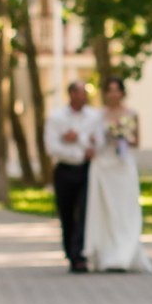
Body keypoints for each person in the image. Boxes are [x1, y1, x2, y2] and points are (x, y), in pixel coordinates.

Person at [84, 75, 152, 274]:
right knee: (106, 210)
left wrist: (121, 135)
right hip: (104, 167)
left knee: (125, 210)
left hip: (123, 166)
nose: (114, 94)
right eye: (110, 90)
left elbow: (137, 141)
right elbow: (92, 140)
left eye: (117, 90)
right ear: (105, 93)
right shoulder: (98, 116)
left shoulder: (131, 114)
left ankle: (125, 252)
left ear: (122, 92)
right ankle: (107, 253)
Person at [45, 79, 98, 273]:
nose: (84, 97)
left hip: (86, 171)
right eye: (80, 93)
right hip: (64, 170)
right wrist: (78, 151)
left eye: (85, 93)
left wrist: (77, 140)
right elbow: (53, 147)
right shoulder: (57, 118)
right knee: (66, 213)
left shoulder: (94, 117)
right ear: (71, 95)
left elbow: (96, 143)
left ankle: (79, 255)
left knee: (84, 211)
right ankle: (70, 252)